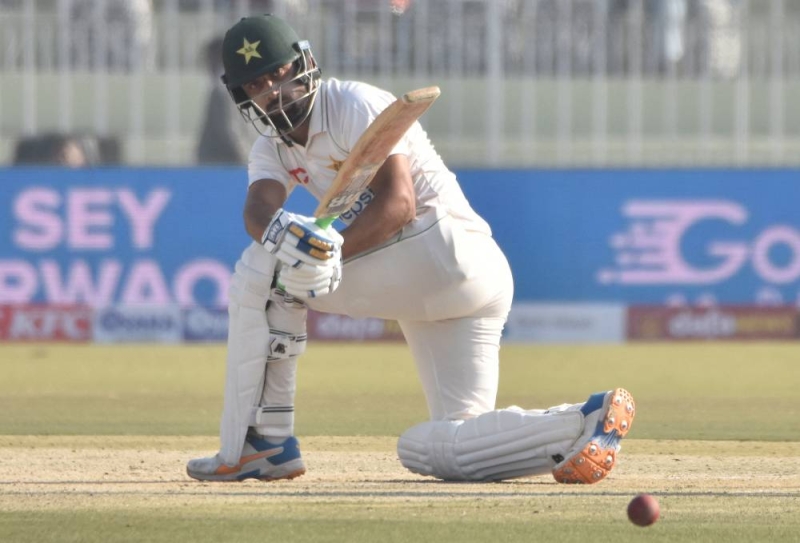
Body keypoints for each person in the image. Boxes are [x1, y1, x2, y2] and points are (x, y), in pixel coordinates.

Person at [187, 14, 635, 484]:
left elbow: (400, 204)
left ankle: (262, 443)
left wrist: (326, 251)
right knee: (441, 448)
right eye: (257, 84)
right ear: (242, 96)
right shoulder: (271, 148)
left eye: (279, 73)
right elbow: (258, 211)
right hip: (451, 283)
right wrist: (289, 235)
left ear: (304, 64)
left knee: (263, 273)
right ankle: (579, 424)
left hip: (441, 248)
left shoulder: (351, 103)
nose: (274, 91)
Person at [196, 37, 252, 165]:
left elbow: (230, 130)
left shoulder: (224, 89)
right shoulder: (228, 87)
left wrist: (246, 158)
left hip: (221, 161)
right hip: (219, 161)